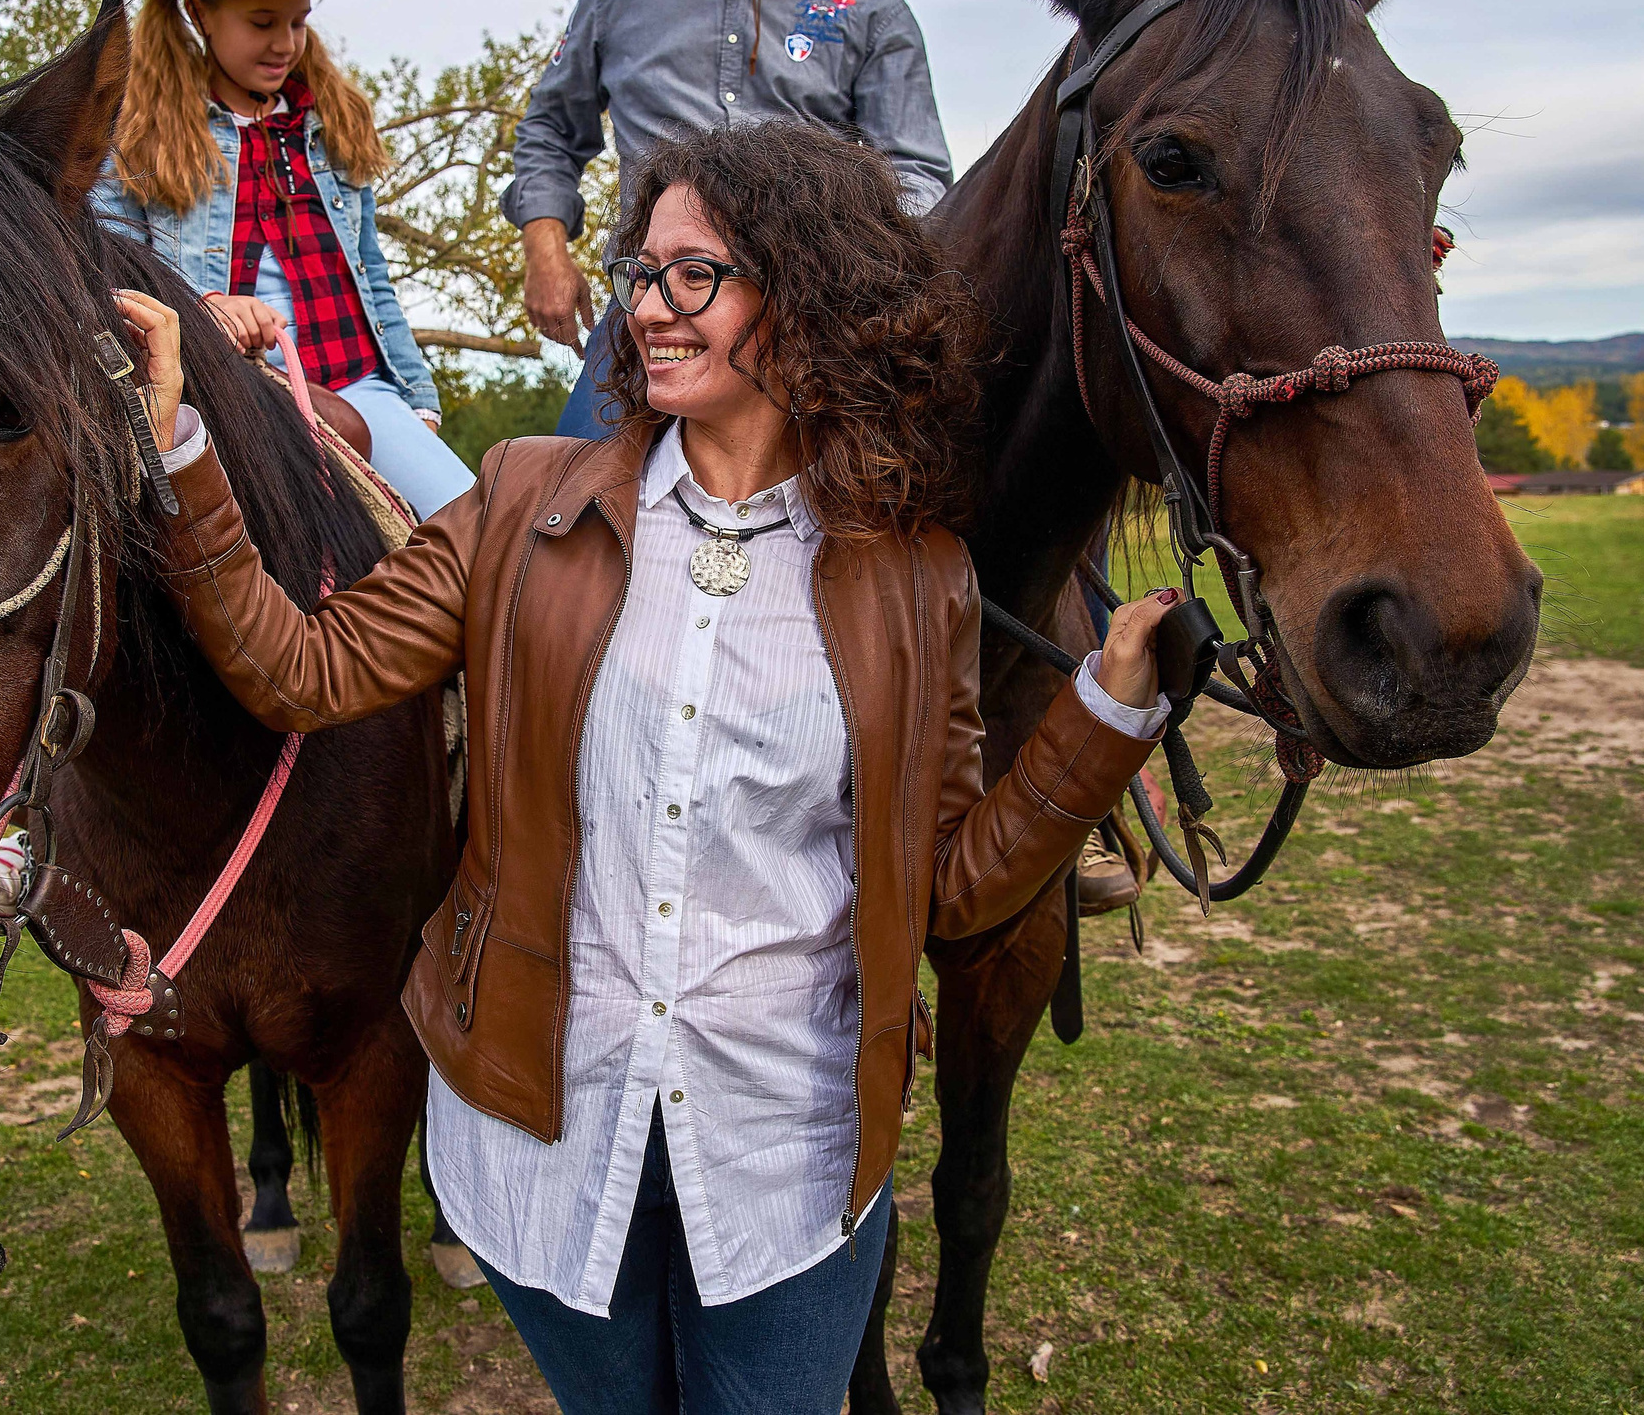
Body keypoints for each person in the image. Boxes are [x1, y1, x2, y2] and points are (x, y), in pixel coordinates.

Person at [111, 121, 1171, 1414]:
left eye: (695, 274)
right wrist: (184, 451)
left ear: (809, 294)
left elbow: (947, 890)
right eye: (643, 272)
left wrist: (1099, 720)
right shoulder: (522, 500)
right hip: (545, 1147)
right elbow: (302, 671)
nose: (650, 306)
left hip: (787, 1163)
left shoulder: (915, 576)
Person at [507, 0, 952, 441]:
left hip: (808, 323)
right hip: (647, 316)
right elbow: (551, 129)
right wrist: (545, 250)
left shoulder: (873, 9)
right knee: (572, 493)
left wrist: (834, 265)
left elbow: (918, 179)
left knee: (876, 493)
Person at [93, 0, 475, 520]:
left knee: (477, 528)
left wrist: (415, 394)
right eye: (262, 22)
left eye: (298, 22)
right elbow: (109, 267)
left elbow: (370, 270)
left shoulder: (330, 125)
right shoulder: (139, 135)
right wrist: (204, 305)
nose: (285, 44)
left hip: (356, 380)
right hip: (228, 392)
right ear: (200, 14)